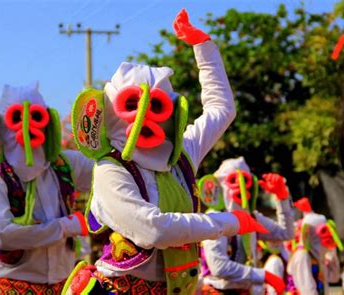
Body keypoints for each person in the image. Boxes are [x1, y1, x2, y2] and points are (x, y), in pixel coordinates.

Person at [63, 8, 269, 295]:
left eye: (156, 106)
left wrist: (204, 47)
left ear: (171, 110)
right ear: (112, 110)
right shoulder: (111, 169)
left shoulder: (181, 156)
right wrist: (226, 222)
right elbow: (152, 230)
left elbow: (221, 110)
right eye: (132, 105)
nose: (144, 116)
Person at [0, 82, 94, 294]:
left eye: (36, 117)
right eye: (17, 118)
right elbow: (6, 235)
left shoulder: (65, 165)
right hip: (12, 287)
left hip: (63, 286)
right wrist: (65, 226)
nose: (27, 126)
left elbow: (105, 173)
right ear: (1, 126)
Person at [200, 157, 294, 295]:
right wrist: (263, 275)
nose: (241, 187)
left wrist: (282, 197)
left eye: (245, 181)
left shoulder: (252, 217)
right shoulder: (214, 218)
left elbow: (286, 233)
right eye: (233, 181)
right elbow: (219, 267)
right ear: (220, 186)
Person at [287, 197, 343, 295]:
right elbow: (308, 291)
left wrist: (332, 250)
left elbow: (334, 278)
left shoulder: (317, 257)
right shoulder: (302, 256)